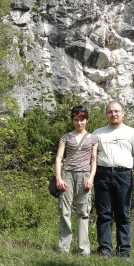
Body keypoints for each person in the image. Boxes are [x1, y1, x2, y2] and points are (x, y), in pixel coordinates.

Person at [92, 101, 134, 260]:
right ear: (106, 114)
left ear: (123, 113)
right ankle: (105, 250)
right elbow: (90, 157)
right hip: (102, 175)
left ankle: (124, 251)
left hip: (124, 175)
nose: (113, 114)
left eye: (117, 111)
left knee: (123, 215)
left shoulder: (132, 133)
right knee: (104, 214)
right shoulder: (98, 133)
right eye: (110, 112)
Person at [54, 105, 99, 256]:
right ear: (72, 120)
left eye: (82, 119)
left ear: (86, 120)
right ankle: (63, 248)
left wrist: (91, 178)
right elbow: (59, 158)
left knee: (83, 211)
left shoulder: (93, 138)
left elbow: (94, 160)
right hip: (66, 175)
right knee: (65, 211)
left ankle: (84, 249)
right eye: (76, 120)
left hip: (84, 175)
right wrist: (58, 177)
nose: (79, 123)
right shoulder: (65, 137)